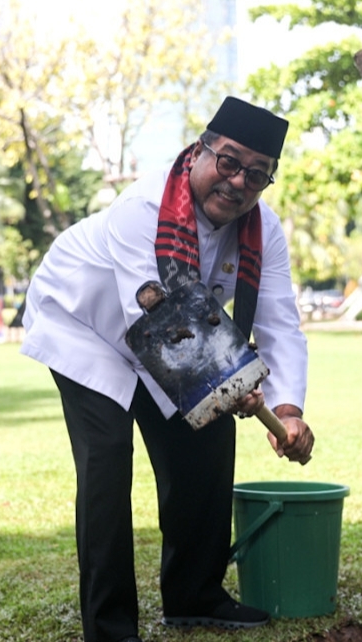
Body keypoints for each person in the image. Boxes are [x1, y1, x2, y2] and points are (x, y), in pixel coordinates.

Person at [21, 96, 314, 642]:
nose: (237, 182)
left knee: (206, 442)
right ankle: (110, 628)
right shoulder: (142, 206)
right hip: (84, 323)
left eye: (256, 174)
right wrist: (228, 384)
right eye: (227, 162)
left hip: (167, 337)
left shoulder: (264, 229)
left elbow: (279, 320)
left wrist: (288, 408)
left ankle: (194, 594)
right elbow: (152, 317)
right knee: (108, 460)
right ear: (201, 150)